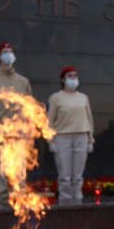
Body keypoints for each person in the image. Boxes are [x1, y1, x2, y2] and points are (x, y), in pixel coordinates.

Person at [0, 41, 34, 202]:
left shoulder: (23, 81)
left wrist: (30, 132)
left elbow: (30, 108)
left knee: (20, 170)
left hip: (20, 132)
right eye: (5, 51)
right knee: (1, 170)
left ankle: (21, 203)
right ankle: (3, 201)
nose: (8, 54)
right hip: (0, 132)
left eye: (10, 51)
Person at [47, 66, 95, 205]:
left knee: (78, 175)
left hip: (81, 137)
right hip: (62, 138)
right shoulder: (56, 98)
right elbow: (49, 120)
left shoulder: (83, 97)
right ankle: (65, 201)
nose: (73, 78)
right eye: (70, 76)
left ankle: (78, 200)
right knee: (65, 175)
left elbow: (89, 119)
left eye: (75, 76)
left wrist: (90, 139)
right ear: (63, 79)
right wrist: (51, 141)